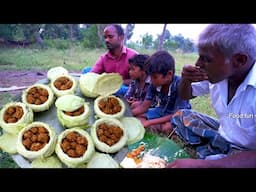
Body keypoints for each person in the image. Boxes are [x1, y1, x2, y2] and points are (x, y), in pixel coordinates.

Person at [166, 24, 256, 168]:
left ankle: (215, 156)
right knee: (181, 115)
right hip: (224, 133)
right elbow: (185, 95)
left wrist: (206, 165)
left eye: (206, 59)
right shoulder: (219, 74)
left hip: (248, 152)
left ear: (239, 60)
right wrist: (186, 80)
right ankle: (217, 152)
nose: (198, 64)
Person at [131, 50, 191, 136]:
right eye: (150, 76)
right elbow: (144, 107)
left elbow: (177, 114)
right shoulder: (154, 84)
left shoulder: (180, 85)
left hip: (178, 115)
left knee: (167, 128)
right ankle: (157, 126)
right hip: (161, 111)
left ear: (169, 74)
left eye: (155, 77)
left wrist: (149, 122)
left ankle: (158, 127)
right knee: (137, 116)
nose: (151, 80)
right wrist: (127, 114)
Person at [82, 24, 138, 95]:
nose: (107, 40)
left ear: (121, 38)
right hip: (109, 85)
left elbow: (139, 80)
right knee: (86, 71)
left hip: (126, 87)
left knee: (121, 89)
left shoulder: (133, 56)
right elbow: (92, 74)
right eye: (105, 37)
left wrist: (117, 82)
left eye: (110, 37)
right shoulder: (104, 58)